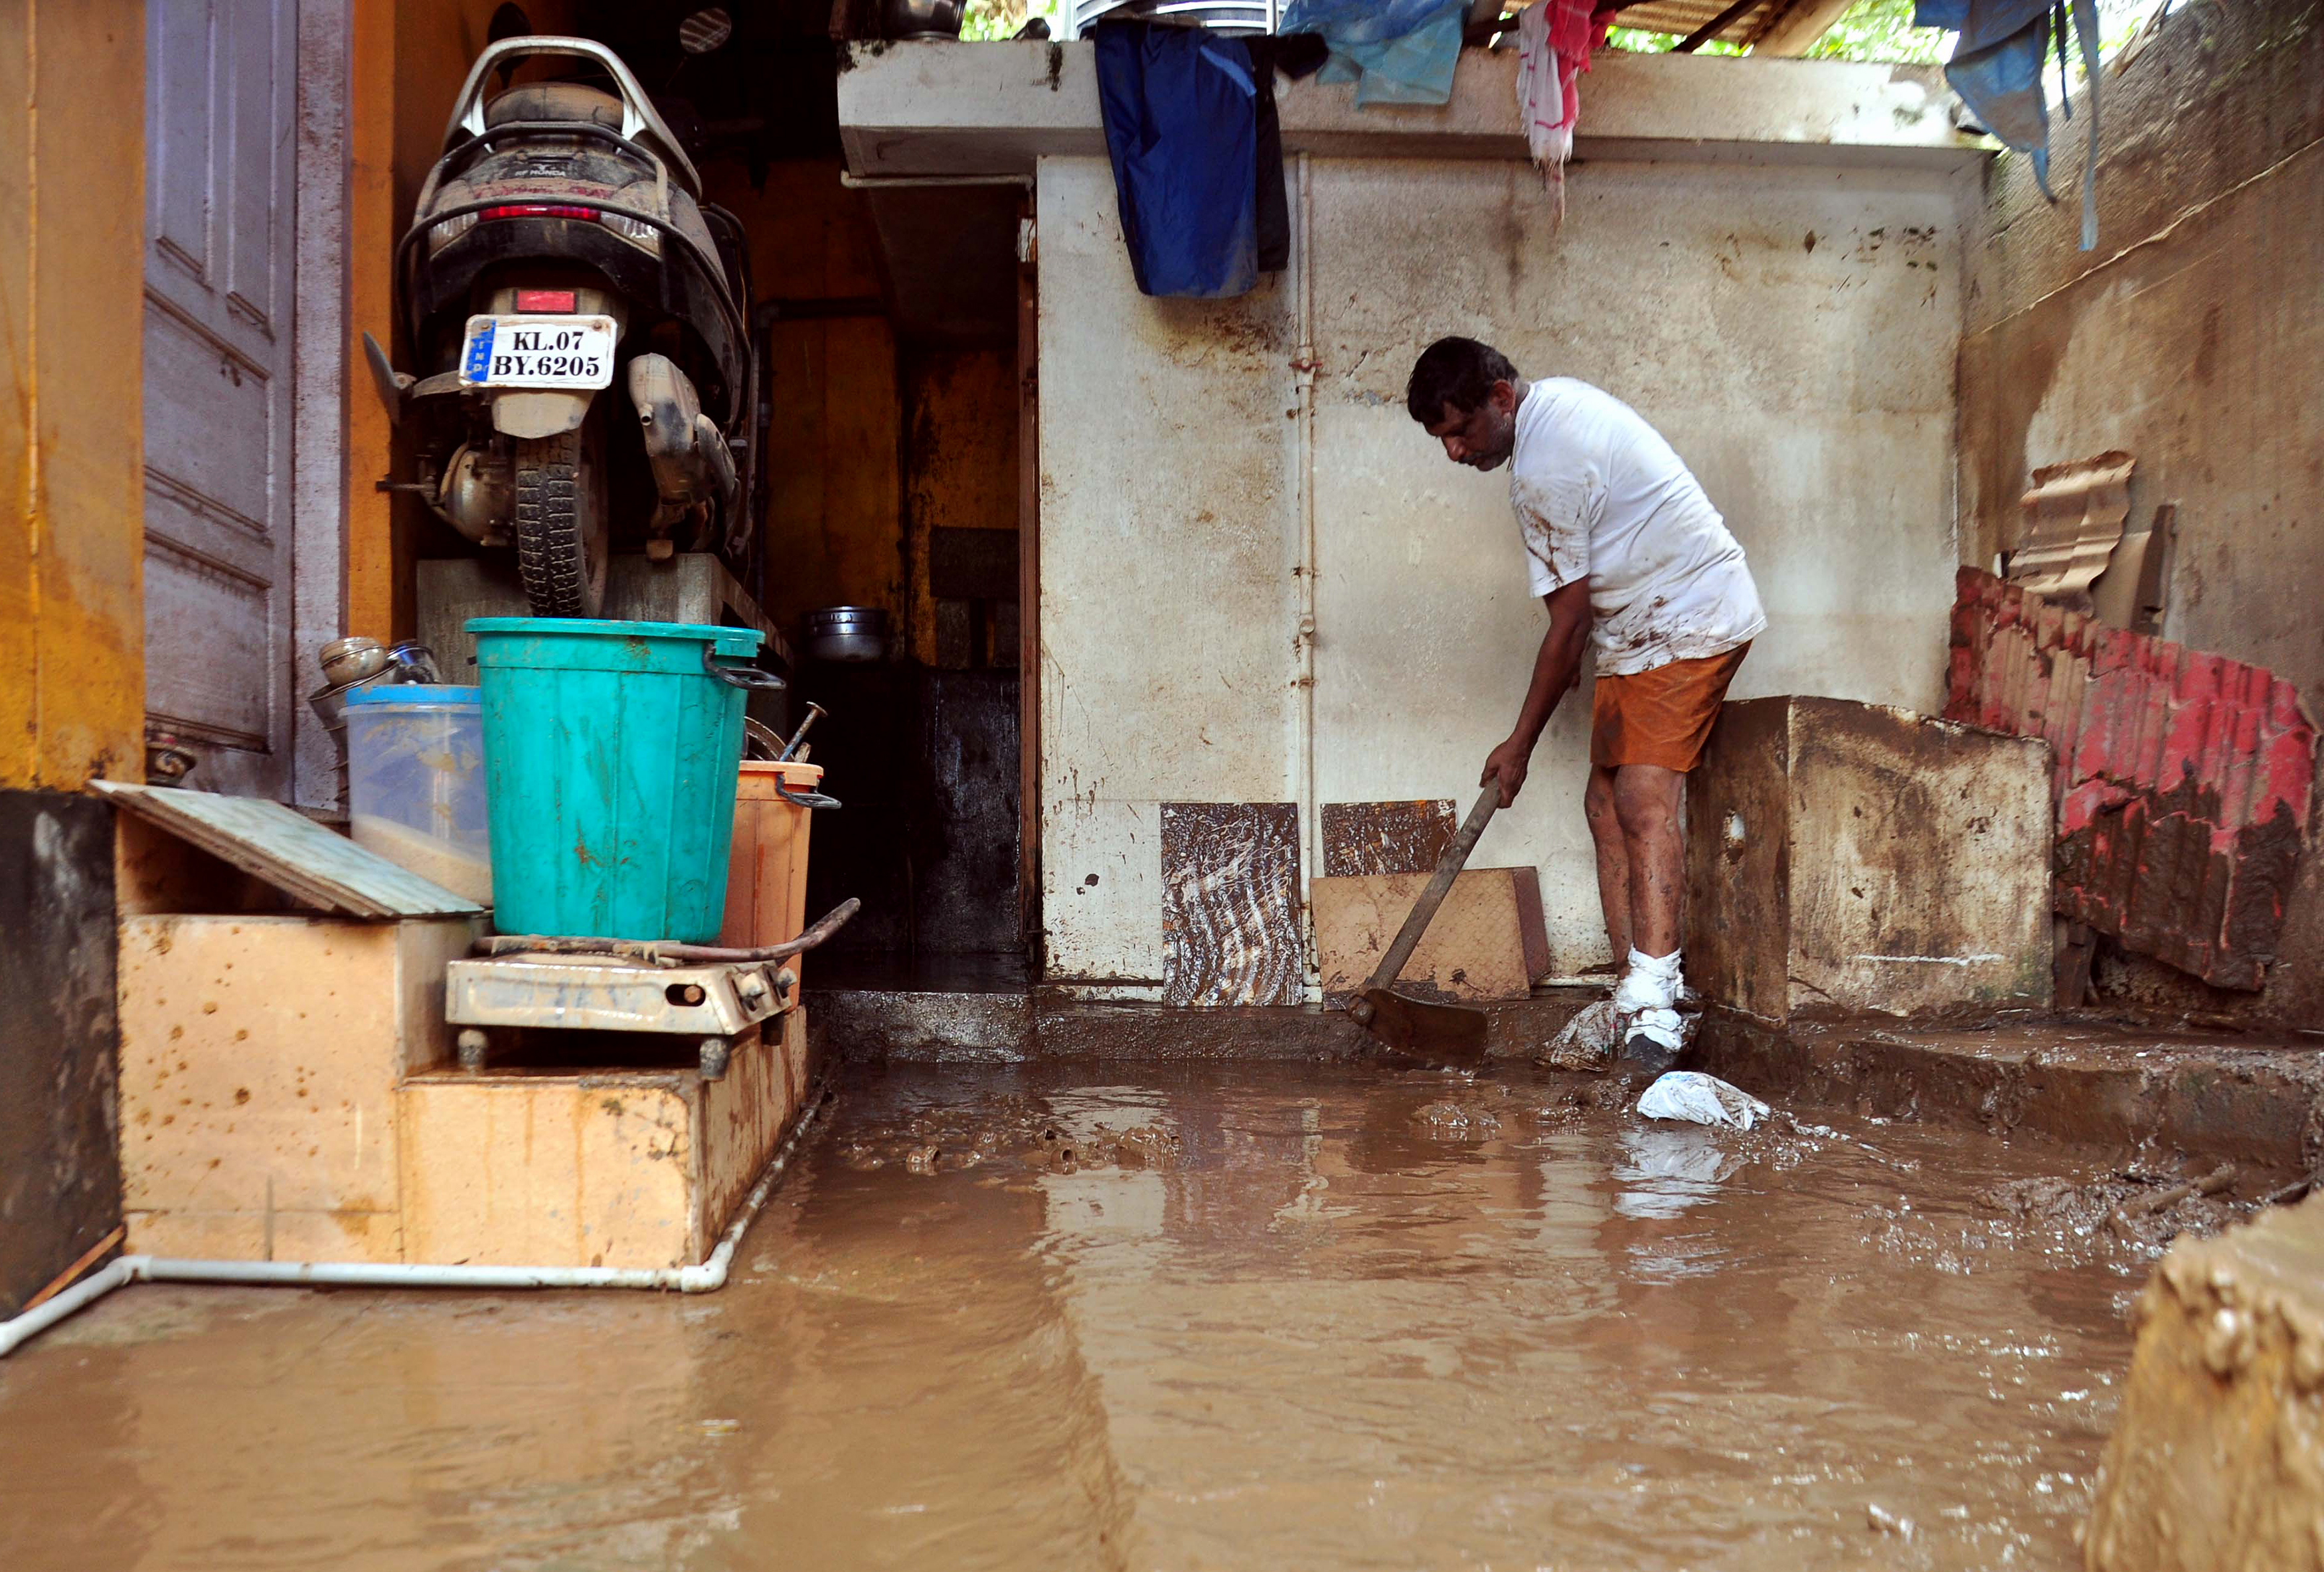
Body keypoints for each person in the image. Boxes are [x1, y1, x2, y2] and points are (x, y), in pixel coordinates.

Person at [1406, 337, 1764, 1067]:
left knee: (1641, 801)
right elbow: (1571, 620)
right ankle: (1635, 987)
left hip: (1688, 617)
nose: (1453, 451)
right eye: (1441, 438)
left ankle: (1656, 1008)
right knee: (1603, 806)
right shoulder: (1554, 410)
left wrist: (1518, 746)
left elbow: (1567, 624)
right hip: (1636, 628)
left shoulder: (1544, 465)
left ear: (1500, 398)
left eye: (1461, 431)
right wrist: (1566, 655)